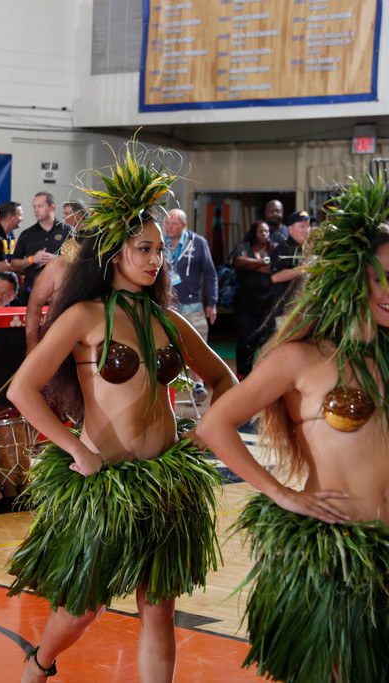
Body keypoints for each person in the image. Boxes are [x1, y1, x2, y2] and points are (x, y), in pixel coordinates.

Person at [5, 146, 236, 682]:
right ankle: (40, 663)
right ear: (114, 254)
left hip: (164, 482)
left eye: (159, 249)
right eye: (144, 248)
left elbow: (226, 381)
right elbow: (22, 388)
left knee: (159, 607)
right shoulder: (84, 315)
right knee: (84, 606)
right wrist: (75, 449)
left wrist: (202, 437)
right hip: (104, 480)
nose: (156, 258)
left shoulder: (168, 321)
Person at [197, 176, 389, 683]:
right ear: (349, 279)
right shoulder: (300, 359)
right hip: (336, 558)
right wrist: (281, 494)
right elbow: (214, 425)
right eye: (380, 277)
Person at [163, 207, 218, 402]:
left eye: (174, 223)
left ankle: (199, 385)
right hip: (168, 304)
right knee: (168, 345)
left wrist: (212, 302)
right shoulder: (160, 242)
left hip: (193, 304)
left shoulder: (198, 243)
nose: (169, 227)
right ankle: (168, 386)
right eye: (167, 222)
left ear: (184, 225)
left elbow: (210, 274)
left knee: (198, 344)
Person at [231, 219, 275, 377]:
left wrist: (252, 265)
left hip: (267, 303)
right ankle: (242, 374)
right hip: (245, 304)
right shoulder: (244, 246)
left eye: (267, 232)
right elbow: (239, 263)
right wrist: (262, 262)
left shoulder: (273, 248)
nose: (264, 234)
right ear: (253, 233)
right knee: (245, 340)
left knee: (264, 340)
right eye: (261, 231)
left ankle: (263, 376)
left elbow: (273, 268)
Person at [11, 192, 68, 295]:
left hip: (60, 290)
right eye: (34, 207)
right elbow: (14, 265)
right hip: (30, 291)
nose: (36, 210)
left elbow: (79, 261)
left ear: (52, 207)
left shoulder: (67, 231)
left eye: (40, 206)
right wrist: (32, 259)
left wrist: (57, 259)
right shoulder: (27, 234)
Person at [269, 209, 311, 323]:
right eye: (302, 227)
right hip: (286, 311)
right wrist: (302, 269)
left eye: (308, 226)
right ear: (291, 229)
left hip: (305, 310)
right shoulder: (283, 249)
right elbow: (275, 277)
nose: (306, 230)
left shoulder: (307, 249)